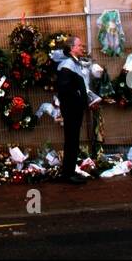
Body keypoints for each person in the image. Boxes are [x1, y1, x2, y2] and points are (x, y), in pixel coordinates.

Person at [54, 36, 98, 183]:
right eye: (79, 45)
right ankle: (68, 174)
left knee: (73, 140)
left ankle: (70, 171)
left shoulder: (74, 64)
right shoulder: (67, 65)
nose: (82, 48)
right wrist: (79, 97)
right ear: (72, 48)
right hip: (71, 108)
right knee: (71, 140)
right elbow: (64, 88)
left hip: (75, 108)